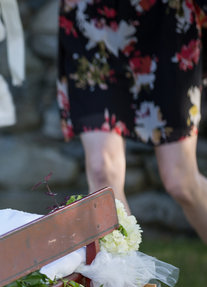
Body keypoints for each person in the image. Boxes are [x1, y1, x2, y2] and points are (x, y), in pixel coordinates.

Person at [57, 0, 207, 243]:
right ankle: (122, 279)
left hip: (166, 17)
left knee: (181, 181)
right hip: (94, 23)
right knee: (102, 173)